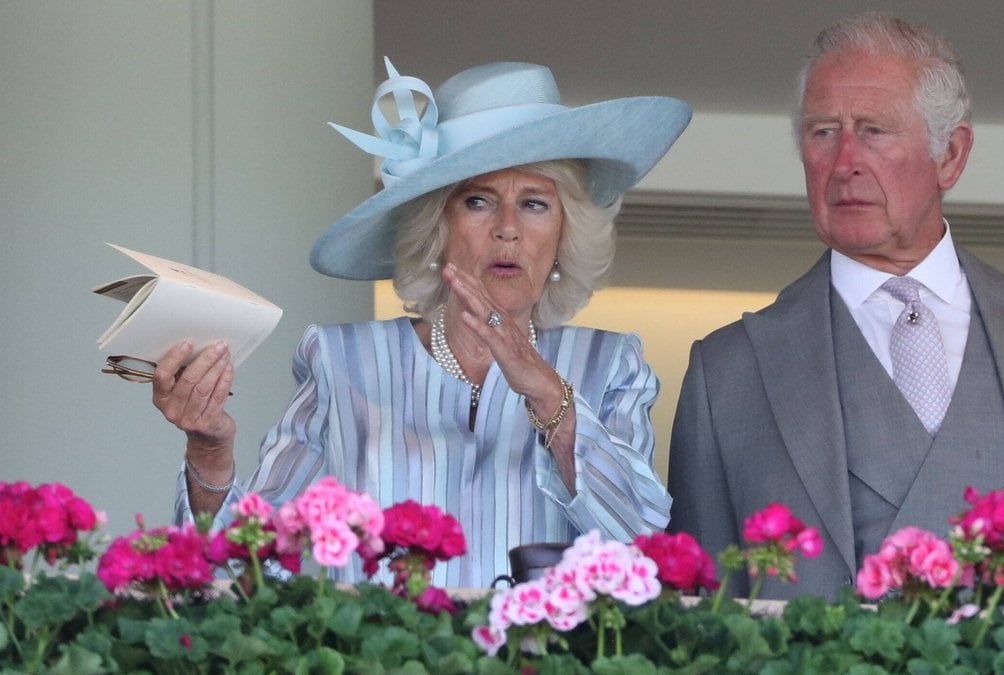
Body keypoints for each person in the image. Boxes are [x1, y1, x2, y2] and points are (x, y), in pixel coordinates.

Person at [667, 14, 1004, 600]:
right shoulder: (728, 371)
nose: (844, 163)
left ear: (951, 156)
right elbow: (698, 617)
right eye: (821, 132)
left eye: (874, 130)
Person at [152, 60, 690, 587]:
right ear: (437, 227)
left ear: (564, 235)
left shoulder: (611, 366)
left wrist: (549, 394)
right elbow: (240, 568)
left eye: (534, 204)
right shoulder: (341, 363)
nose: (507, 229)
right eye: (478, 201)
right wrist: (210, 453)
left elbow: (641, 543)